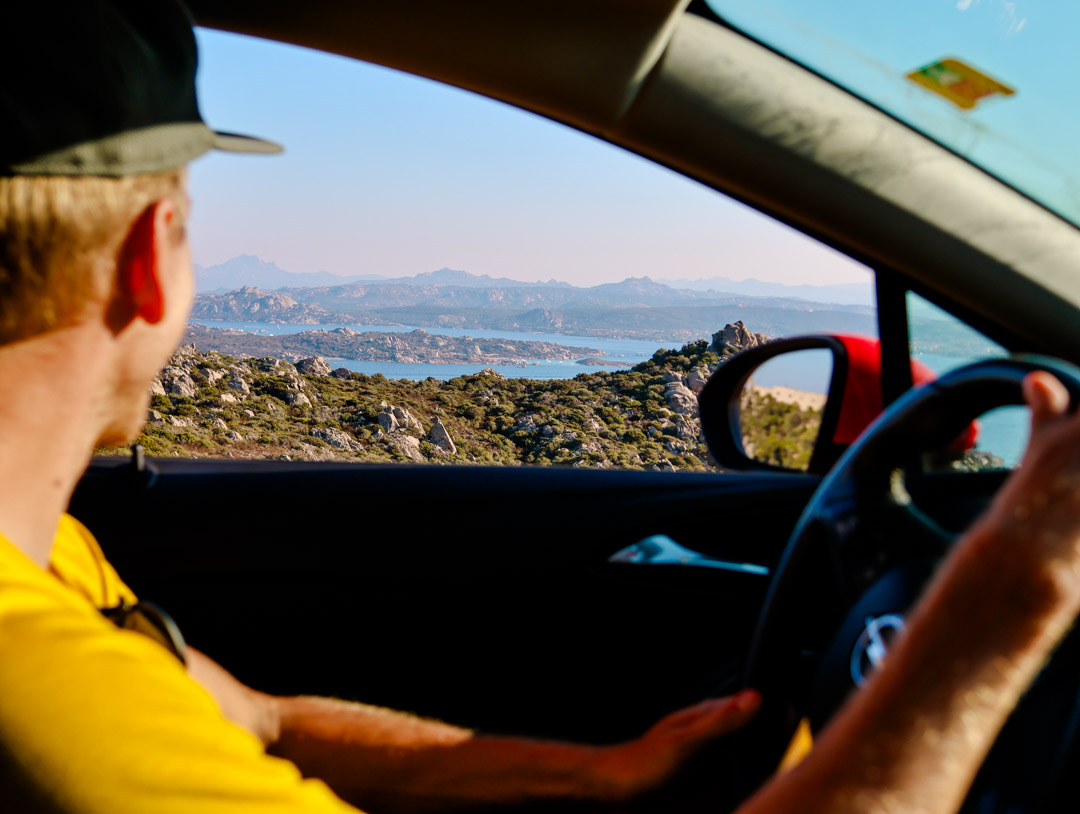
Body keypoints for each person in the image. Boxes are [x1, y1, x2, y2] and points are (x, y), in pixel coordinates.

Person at [2, 2, 1079, 813]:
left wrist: (601, 773)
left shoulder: (49, 558)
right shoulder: (52, 712)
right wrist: (1000, 604)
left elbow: (257, 715)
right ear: (149, 260)